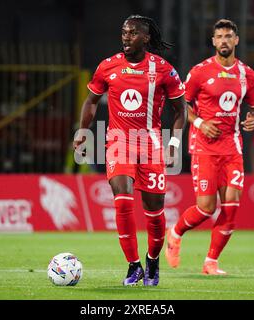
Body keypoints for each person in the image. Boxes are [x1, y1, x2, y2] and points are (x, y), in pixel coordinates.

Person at [73, 15, 187, 286]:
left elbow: (180, 109)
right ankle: (133, 266)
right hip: (118, 143)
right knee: (122, 200)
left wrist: (173, 144)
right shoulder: (107, 67)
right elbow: (91, 101)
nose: (126, 37)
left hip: (151, 146)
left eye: (133, 33)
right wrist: (82, 130)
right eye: (124, 32)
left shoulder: (163, 69)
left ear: (145, 38)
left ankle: (152, 260)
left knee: (155, 212)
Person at [165, 19, 254, 275]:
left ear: (236, 40)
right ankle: (175, 233)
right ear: (213, 41)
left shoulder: (247, 74)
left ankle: (211, 262)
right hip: (204, 148)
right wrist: (199, 121)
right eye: (219, 36)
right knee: (206, 209)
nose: (224, 41)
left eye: (228, 36)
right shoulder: (200, 72)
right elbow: (181, 107)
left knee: (231, 207)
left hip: (232, 148)